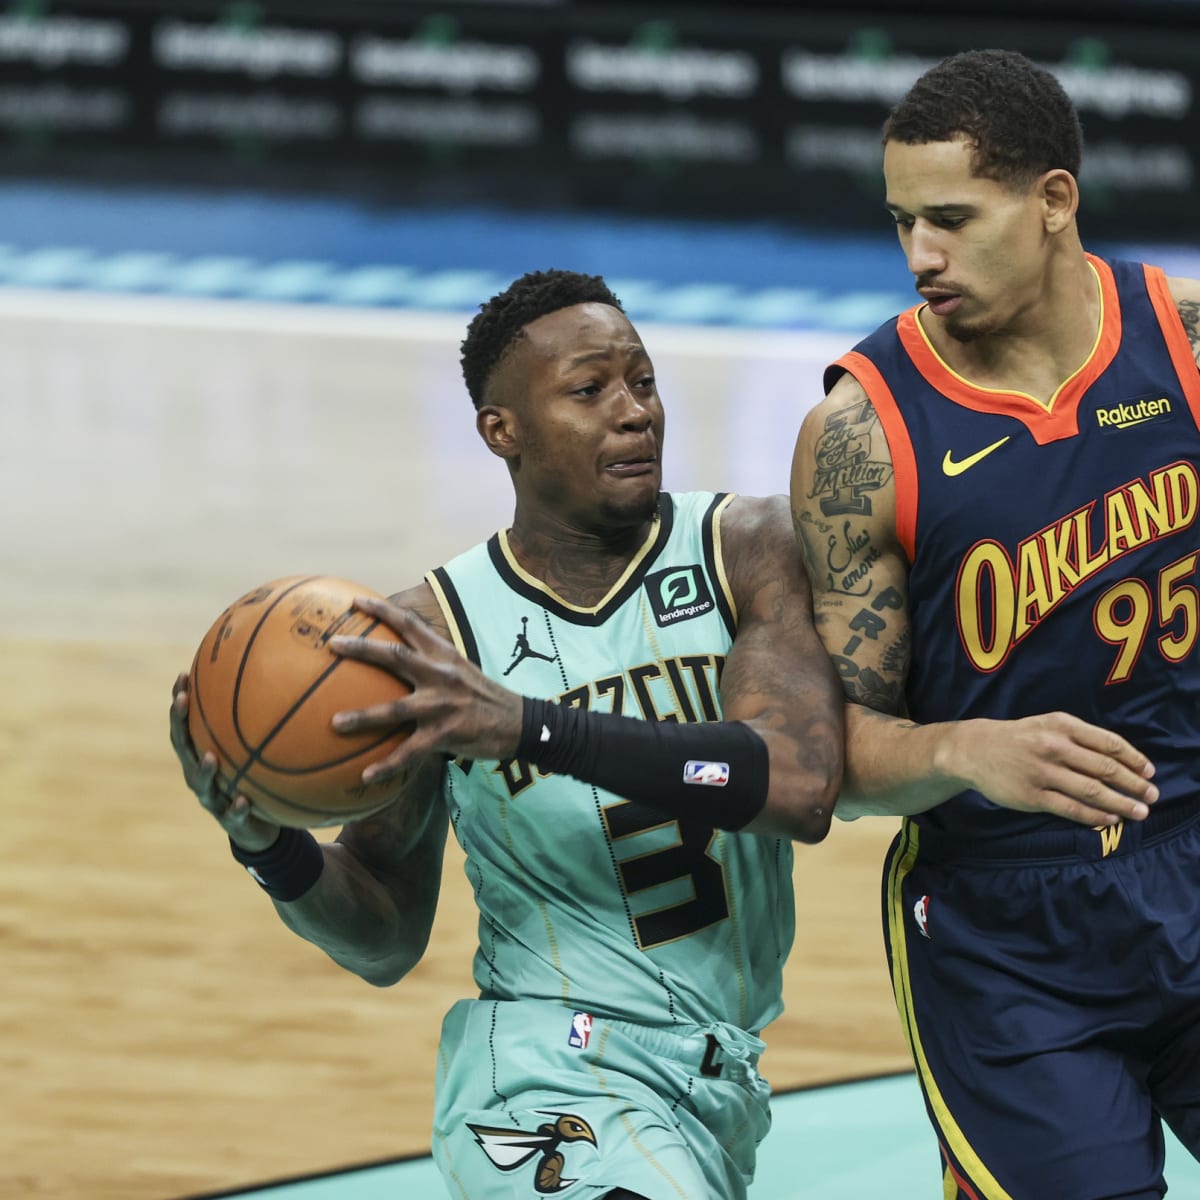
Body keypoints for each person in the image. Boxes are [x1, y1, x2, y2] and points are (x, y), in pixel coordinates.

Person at [171, 268, 844, 1200]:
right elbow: (384, 934)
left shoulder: (746, 547)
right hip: (545, 1073)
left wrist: (527, 727)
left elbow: (798, 788)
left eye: (643, 382)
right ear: (502, 431)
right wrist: (268, 848)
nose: (634, 412)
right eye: (589, 389)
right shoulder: (429, 639)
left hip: (716, 1079)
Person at [789, 48, 1200, 1200]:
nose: (922, 256)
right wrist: (963, 749)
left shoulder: (1184, 346)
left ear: (1053, 202)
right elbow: (835, 759)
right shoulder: (860, 437)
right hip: (1003, 926)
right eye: (903, 222)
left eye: (953, 220)